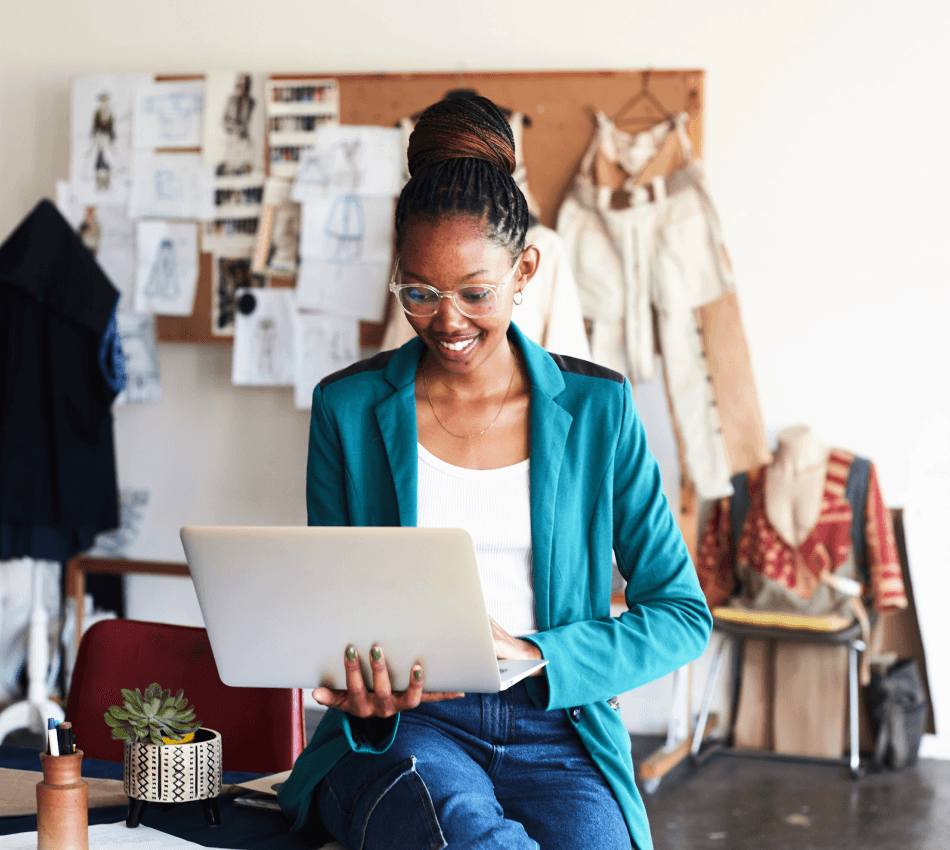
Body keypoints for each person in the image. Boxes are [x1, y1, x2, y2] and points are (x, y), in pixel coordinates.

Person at [278, 95, 712, 850]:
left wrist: (539, 653)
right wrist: (362, 686)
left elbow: (680, 614)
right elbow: (338, 609)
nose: (447, 320)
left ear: (525, 271)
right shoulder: (347, 410)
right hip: (411, 731)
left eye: (475, 293)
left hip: (560, 729)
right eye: (418, 292)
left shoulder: (598, 410)